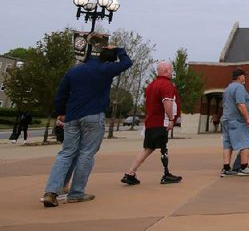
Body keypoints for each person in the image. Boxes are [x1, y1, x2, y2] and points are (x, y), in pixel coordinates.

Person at [41, 44, 132, 207]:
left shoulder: (74, 71)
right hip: (93, 115)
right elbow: (127, 63)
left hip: (72, 116)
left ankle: (51, 191)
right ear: (107, 60)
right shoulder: (105, 70)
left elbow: (61, 93)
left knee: (66, 152)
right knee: (86, 153)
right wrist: (119, 49)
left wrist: (60, 111)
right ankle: (76, 192)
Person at [121, 61, 182, 186]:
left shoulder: (151, 85)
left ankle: (130, 173)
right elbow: (167, 103)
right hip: (161, 122)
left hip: (150, 122)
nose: (172, 72)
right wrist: (171, 119)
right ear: (166, 71)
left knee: (148, 148)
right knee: (163, 148)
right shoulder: (166, 85)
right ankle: (166, 175)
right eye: (171, 69)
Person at [219, 68, 249, 177]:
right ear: (240, 77)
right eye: (244, 76)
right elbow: (241, 104)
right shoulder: (239, 87)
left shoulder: (227, 88)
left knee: (228, 144)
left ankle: (226, 168)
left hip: (226, 119)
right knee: (245, 142)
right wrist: (248, 118)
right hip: (237, 120)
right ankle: (244, 167)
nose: (244, 78)